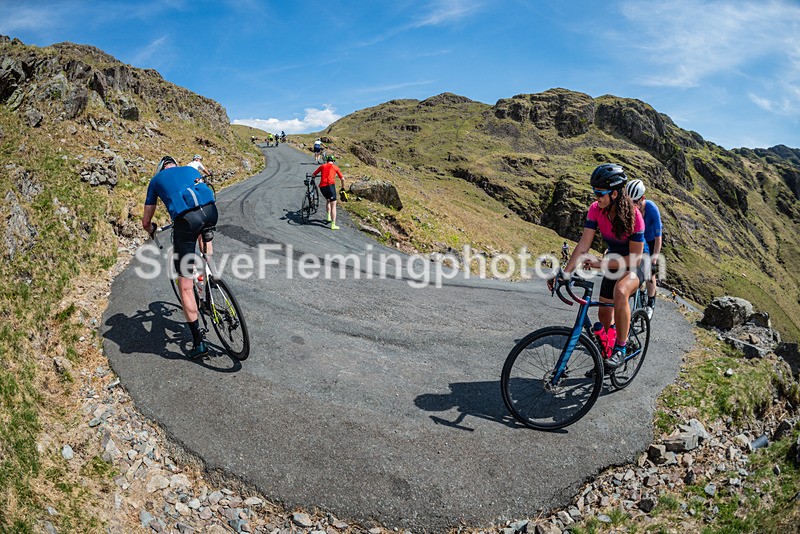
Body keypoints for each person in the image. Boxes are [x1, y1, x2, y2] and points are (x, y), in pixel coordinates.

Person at [549, 163, 646, 370]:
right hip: (613, 260)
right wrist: (565, 274)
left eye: (600, 193)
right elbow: (584, 245)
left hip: (636, 262)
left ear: (615, 194)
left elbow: (634, 260)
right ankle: (607, 354)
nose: (596, 197)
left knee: (621, 291)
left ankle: (620, 348)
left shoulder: (635, 216)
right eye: (594, 192)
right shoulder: (595, 210)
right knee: (603, 315)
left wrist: (600, 263)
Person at [142, 156, 218, 359]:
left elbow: (146, 221)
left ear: (161, 169)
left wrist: (151, 229)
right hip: (211, 212)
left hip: (186, 220)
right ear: (176, 164)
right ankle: (209, 272)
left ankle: (199, 343)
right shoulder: (191, 170)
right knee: (203, 229)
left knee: (184, 286)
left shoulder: (156, 180)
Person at [625, 179, 663, 320]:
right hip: (638, 239)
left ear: (642, 198)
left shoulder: (652, 208)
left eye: (636, 202)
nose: (634, 206)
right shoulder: (629, 207)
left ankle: (650, 302)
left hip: (652, 239)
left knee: (649, 272)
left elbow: (659, 237)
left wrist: (654, 259)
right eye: (630, 202)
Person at [311, 155, 345, 230]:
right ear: (333, 161)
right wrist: (343, 188)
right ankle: (333, 224)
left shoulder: (322, 166)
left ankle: (328, 217)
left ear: (327, 160)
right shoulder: (335, 167)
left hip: (322, 187)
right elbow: (342, 179)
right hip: (330, 186)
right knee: (334, 205)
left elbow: (313, 174)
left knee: (328, 200)